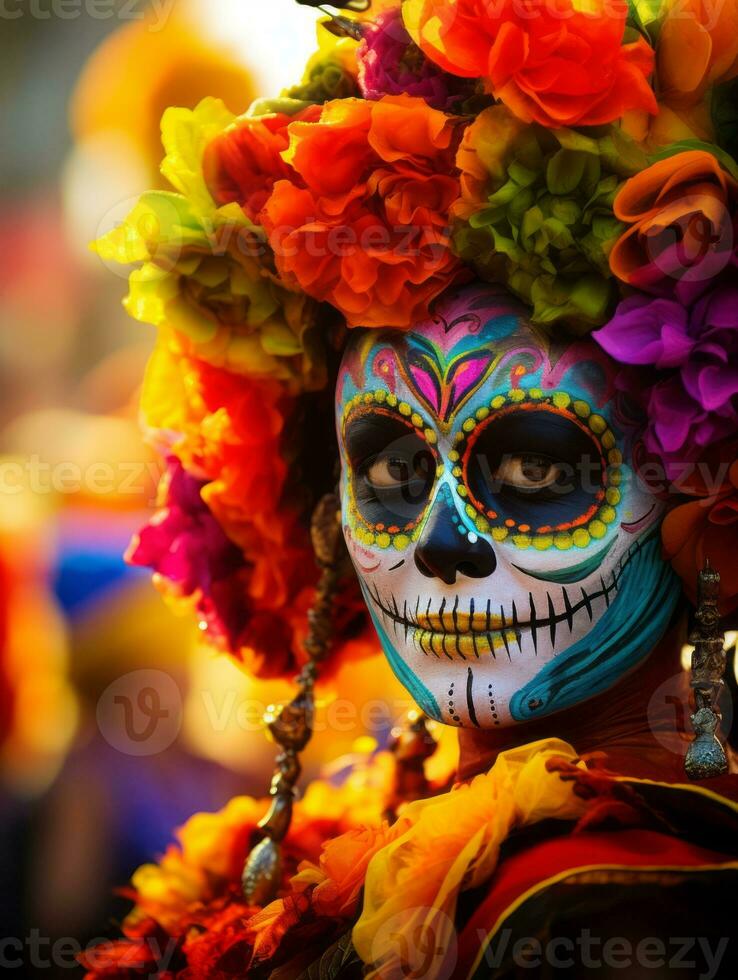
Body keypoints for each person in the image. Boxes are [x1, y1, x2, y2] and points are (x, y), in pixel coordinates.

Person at [82, 1, 738, 976]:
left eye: (534, 468)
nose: (444, 541)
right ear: (322, 508)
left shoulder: (621, 912)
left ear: (695, 499)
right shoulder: (374, 830)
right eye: (390, 470)